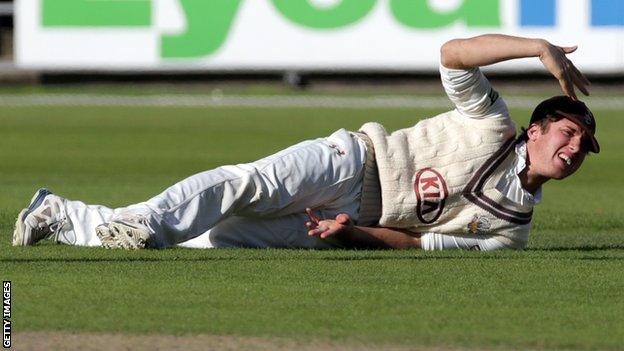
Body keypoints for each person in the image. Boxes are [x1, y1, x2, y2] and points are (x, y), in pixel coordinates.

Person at [13, 34, 599, 251]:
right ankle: (139, 222)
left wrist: (355, 234)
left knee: (211, 240)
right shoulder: (493, 122)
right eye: (569, 132)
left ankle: (60, 215)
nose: (573, 149)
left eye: (583, 146)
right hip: (351, 161)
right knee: (245, 183)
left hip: (344, 219)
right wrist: (536, 48)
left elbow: (420, 248)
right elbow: (452, 56)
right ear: (537, 128)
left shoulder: (511, 233)